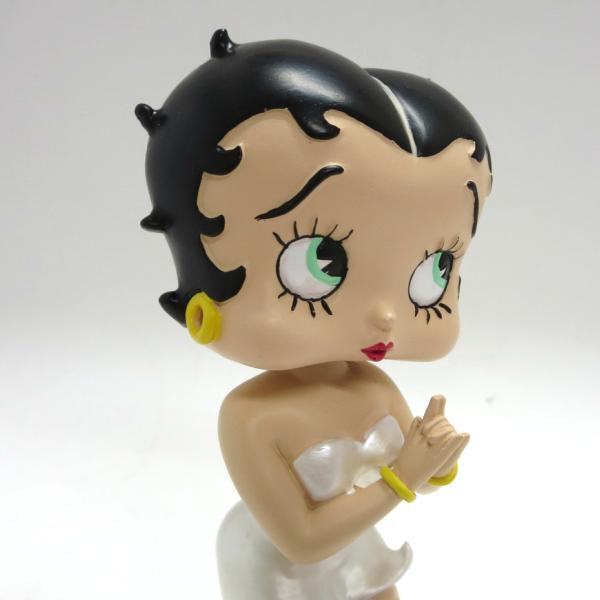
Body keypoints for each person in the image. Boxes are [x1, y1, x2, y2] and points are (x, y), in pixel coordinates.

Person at [136, 29, 492, 600]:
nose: (385, 314)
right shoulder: (251, 419)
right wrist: (404, 477)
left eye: (433, 271)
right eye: (319, 261)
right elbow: (302, 541)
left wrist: (438, 458)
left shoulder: (373, 385)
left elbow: (420, 475)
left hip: (359, 550)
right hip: (277, 574)